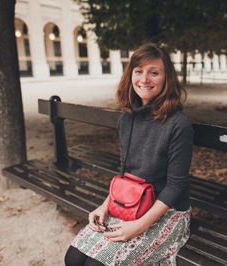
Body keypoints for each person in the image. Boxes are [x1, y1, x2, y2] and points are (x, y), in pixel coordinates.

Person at [64, 43, 194, 266]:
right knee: (73, 259)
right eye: (138, 71)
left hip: (167, 213)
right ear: (130, 75)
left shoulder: (178, 124)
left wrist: (140, 226)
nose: (144, 79)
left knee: (97, 265)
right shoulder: (127, 119)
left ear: (166, 78)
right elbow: (125, 174)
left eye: (154, 72)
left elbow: (175, 186)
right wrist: (104, 206)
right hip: (130, 201)